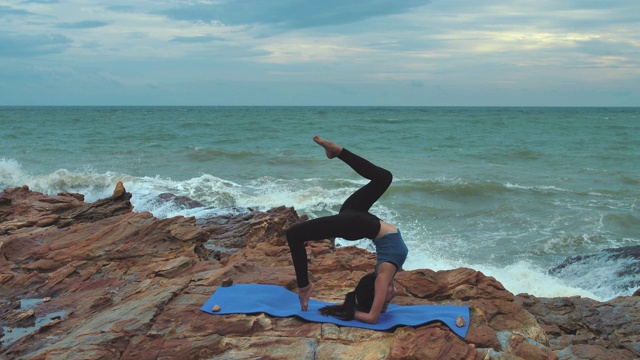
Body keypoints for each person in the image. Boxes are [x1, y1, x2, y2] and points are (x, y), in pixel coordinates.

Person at [286, 136, 408, 324]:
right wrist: (379, 304)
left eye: (386, 298)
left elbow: (372, 318)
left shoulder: (383, 278)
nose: (394, 294)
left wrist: (352, 311)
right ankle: (338, 152)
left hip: (356, 223)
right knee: (384, 178)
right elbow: (381, 306)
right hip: (358, 217)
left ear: (378, 292)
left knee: (294, 234)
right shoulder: (388, 274)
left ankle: (303, 286)